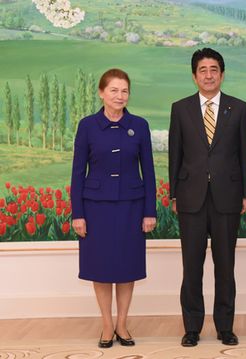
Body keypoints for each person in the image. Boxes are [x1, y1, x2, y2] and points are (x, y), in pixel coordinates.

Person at [168, 48, 246, 347]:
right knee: (191, 266)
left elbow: (245, 154)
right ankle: (191, 327)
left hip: (227, 198)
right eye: (202, 70)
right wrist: (173, 194)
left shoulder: (239, 108)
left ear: (222, 73)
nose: (208, 75)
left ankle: (225, 327)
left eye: (214, 69)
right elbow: (175, 154)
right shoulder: (180, 109)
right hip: (190, 198)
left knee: (225, 266)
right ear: (194, 76)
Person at [71, 68, 157, 348]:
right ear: (101, 93)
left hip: (132, 207)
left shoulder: (140, 125)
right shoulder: (87, 126)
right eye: (114, 90)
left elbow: (150, 172)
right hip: (95, 209)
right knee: (101, 268)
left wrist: (149, 211)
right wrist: (78, 214)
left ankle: (123, 323)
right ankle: (107, 324)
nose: (120, 96)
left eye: (124, 91)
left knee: (127, 267)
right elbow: (76, 172)